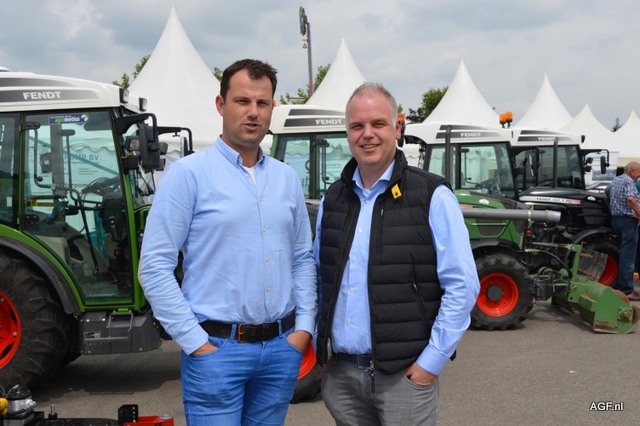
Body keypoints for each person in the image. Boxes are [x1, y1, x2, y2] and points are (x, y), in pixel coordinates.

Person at [138, 59, 316, 425]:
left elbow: (301, 258)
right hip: (217, 350)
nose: (253, 112)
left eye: (262, 103)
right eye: (242, 101)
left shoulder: (286, 178)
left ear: (272, 108)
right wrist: (195, 343)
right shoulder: (188, 175)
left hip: (281, 348)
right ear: (221, 104)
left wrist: (304, 328)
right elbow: (154, 266)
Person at [313, 82, 480, 425]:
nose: (367, 134)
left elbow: (462, 285)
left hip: (404, 377)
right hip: (342, 376)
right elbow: (319, 275)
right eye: (357, 126)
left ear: (398, 127)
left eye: (378, 123)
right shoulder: (334, 198)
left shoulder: (432, 195)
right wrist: (321, 345)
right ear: (348, 133)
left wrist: (430, 363)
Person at [605, 162, 640, 300]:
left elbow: (607, 192)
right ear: (632, 171)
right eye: (638, 172)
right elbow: (630, 198)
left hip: (616, 220)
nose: (639, 176)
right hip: (628, 221)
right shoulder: (629, 181)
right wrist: (639, 213)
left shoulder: (616, 180)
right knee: (628, 257)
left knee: (623, 253)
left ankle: (622, 286)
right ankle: (626, 290)